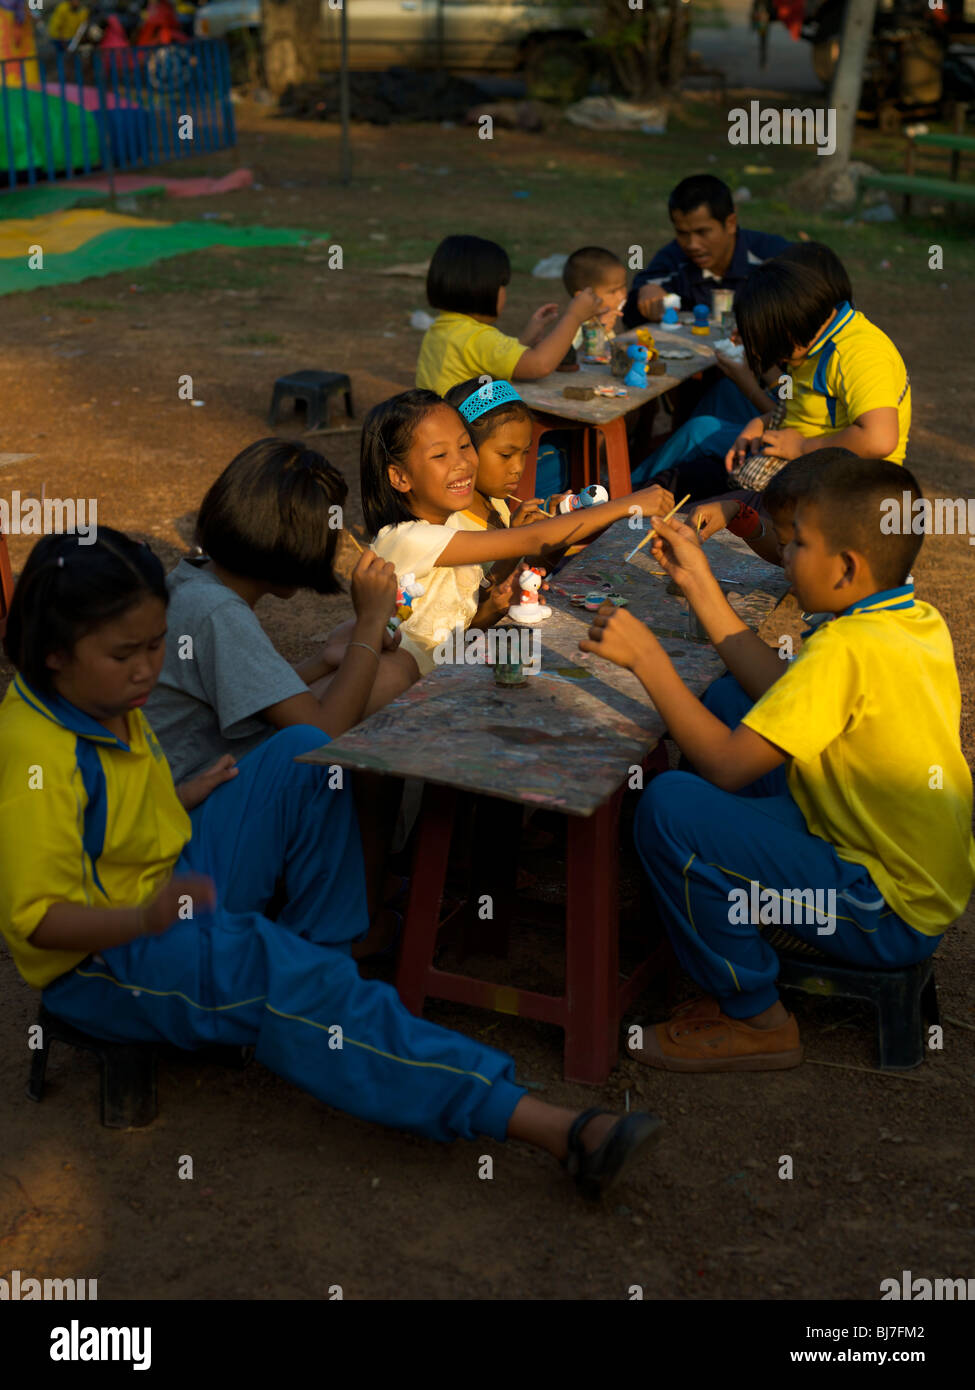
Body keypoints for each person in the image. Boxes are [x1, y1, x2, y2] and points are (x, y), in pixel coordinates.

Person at [0, 529, 661, 1198]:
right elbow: (38, 922)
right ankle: (544, 1124)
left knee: (305, 752)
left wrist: (180, 794)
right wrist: (142, 919)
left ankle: (325, 974)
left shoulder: (103, 695)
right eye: (125, 654)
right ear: (54, 653)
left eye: (155, 644)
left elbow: (101, 816)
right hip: (105, 958)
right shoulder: (35, 756)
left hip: (170, 876)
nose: (148, 668)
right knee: (282, 972)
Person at [581, 451, 975, 1070]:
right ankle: (731, 889)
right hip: (894, 862)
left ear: (845, 567)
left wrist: (648, 660)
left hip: (881, 907)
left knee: (668, 809)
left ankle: (755, 1017)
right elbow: (781, 692)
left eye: (795, 544)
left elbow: (728, 767)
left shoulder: (845, 650)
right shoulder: (907, 619)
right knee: (732, 697)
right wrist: (701, 587)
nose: (783, 554)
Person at [145, 439, 417, 788]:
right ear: (295, 545)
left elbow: (250, 691)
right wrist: (370, 622)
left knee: (397, 665)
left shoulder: (195, 581)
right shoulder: (218, 611)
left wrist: (325, 658)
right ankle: (364, 838)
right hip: (200, 798)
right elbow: (321, 734)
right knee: (389, 677)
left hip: (208, 764)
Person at [362, 388, 674, 675]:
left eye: (463, 446)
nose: (462, 463)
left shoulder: (452, 521)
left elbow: (462, 634)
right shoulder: (405, 538)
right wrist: (627, 504)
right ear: (399, 477)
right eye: (440, 455)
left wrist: (496, 604)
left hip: (451, 676)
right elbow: (532, 539)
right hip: (402, 691)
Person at [630, 240, 855, 500]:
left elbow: (789, 413)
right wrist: (759, 361)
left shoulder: (838, 351)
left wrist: (747, 378)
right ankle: (673, 467)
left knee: (700, 430)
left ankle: (630, 489)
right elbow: (790, 396)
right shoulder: (814, 336)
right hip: (786, 425)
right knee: (724, 392)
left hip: (796, 448)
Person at [726, 256, 911, 483]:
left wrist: (803, 447)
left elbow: (879, 439)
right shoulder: (812, 344)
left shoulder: (857, 352)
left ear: (788, 327)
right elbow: (802, 405)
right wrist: (761, 423)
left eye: (768, 341)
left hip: (847, 487)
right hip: (804, 460)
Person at [415, 234, 601, 396]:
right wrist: (574, 316)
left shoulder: (441, 329)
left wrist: (526, 337)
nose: (505, 293)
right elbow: (539, 365)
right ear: (481, 289)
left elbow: (492, 361)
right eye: (502, 285)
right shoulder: (477, 339)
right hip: (469, 433)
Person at [623, 175, 789, 326]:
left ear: (731, 223)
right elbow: (631, 312)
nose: (692, 244)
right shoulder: (673, 260)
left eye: (702, 232)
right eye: (682, 233)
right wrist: (645, 296)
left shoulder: (773, 256)